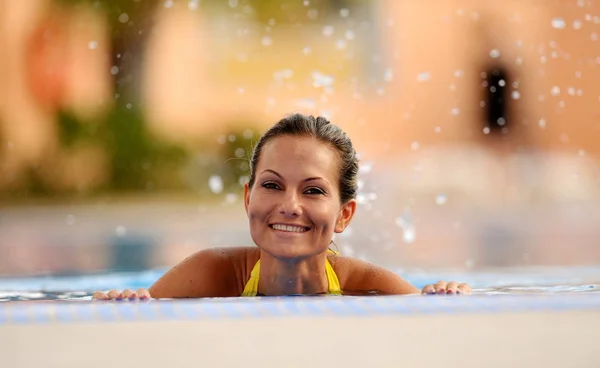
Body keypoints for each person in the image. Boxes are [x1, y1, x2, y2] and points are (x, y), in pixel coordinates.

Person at [93, 113, 471, 300]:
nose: (290, 206)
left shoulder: (372, 288)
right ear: (248, 198)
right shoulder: (209, 274)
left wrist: (447, 295)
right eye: (272, 185)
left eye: (313, 191)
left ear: (345, 215)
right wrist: (120, 301)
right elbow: (125, 318)